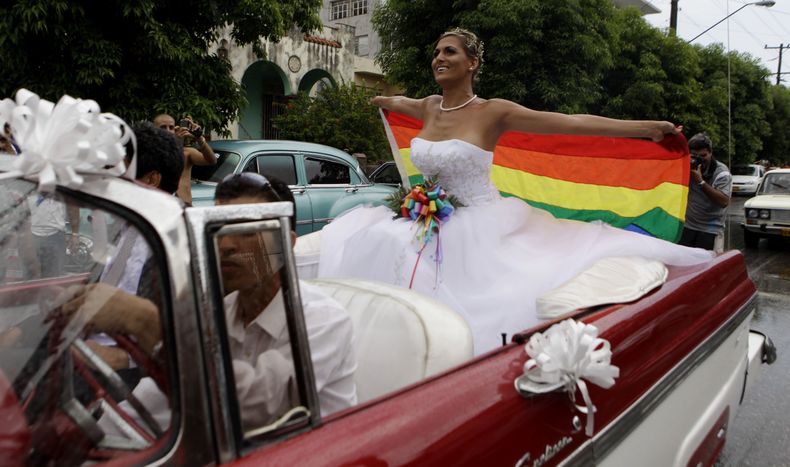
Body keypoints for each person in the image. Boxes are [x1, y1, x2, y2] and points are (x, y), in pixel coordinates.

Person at [317, 28, 714, 355]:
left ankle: (443, 352)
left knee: (482, 293)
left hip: (478, 221)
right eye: (436, 51)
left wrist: (643, 129)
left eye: (450, 51)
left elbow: (570, 123)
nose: (439, 57)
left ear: (472, 63)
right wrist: (383, 99)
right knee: (379, 240)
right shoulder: (430, 106)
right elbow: (401, 101)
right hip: (427, 213)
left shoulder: (494, 112)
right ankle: (382, 345)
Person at [73, 172, 356, 433]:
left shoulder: (322, 321)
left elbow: (261, 410)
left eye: (246, 230)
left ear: (286, 243)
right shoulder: (217, 310)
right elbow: (161, 396)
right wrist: (95, 435)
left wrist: (150, 324)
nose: (226, 244)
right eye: (218, 229)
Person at [677, 133, 731, 251]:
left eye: (703, 155)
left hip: (711, 228)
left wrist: (700, 182)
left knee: (708, 266)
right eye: (694, 156)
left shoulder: (721, 173)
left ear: (711, 152)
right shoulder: (686, 166)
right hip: (687, 225)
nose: (699, 160)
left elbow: (724, 201)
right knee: (684, 263)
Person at [153, 113, 216, 206]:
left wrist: (199, 138)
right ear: (154, 130)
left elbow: (212, 160)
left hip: (185, 206)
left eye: (171, 127)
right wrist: (176, 143)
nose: (168, 131)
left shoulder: (187, 152)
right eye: (163, 127)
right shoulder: (150, 153)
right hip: (161, 206)